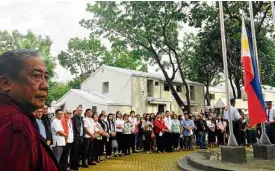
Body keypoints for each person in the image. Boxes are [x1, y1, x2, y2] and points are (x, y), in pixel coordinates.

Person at [0, 49, 58, 171]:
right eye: (36, 76)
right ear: (6, 83)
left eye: (46, 77)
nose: (45, 85)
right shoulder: (15, 124)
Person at [70, 106, 84, 170]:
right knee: (74, 151)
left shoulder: (81, 118)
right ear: (76, 110)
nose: (80, 111)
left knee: (78, 151)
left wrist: (82, 136)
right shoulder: (73, 118)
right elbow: (72, 129)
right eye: (79, 110)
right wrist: (74, 137)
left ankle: (77, 163)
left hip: (80, 136)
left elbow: (81, 128)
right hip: (75, 137)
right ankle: (73, 165)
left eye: (81, 110)